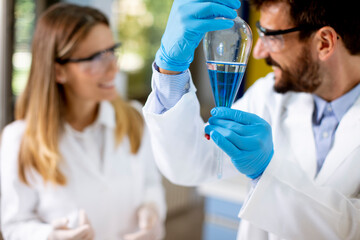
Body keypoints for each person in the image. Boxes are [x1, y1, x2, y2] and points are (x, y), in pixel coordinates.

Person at [142, 0, 360, 239]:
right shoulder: (269, 96)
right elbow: (191, 164)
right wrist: (170, 71)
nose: (258, 52)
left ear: (324, 43)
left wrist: (266, 172)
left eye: (271, 36)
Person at [0, 3, 166, 240]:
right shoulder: (19, 140)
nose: (113, 68)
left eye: (112, 51)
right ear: (59, 71)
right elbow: (14, 225)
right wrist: (51, 236)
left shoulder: (134, 118)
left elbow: (151, 184)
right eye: (97, 58)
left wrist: (152, 211)